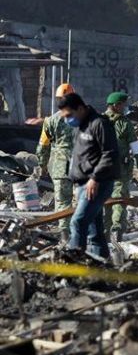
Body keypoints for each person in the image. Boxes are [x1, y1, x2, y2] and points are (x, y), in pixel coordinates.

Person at [58, 93, 119, 259]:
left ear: (80, 108)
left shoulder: (99, 124)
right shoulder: (81, 126)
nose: (67, 120)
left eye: (69, 115)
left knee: (78, 222)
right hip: (83, 184)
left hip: (97, 183)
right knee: (95, 230)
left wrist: (95, 178)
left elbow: (110, 154)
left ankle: (73, 264)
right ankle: (102, 265)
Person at [102, 92, 138, 241]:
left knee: (104, 201)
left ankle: (104, 235)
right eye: (123, 104)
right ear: (116, 105)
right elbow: (137, 150)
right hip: (119, 169)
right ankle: (117, 229)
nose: (125, 107)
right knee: (119, 199)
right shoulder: (124, 123)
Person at [36, 83, 76, 242]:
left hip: (60, 165)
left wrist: (43, 165)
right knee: (83, 200)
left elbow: (43, 146)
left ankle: (65, 236)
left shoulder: (50, 121)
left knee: (62, 201)